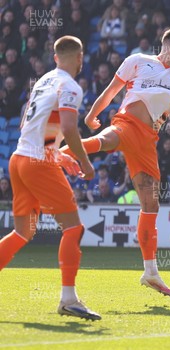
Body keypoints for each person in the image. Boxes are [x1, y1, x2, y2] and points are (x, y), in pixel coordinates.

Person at [60, 29, 170, 298]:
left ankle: (150, 272)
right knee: (107, 141)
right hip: (128, 124)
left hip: (148, 141)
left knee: (151, 204)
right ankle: (57, 155)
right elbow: (110, 91)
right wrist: (91, 116)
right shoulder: (137, 60)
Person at [0, 36, 101, 320]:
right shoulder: (70, 86)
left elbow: (28, 124)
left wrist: (58, 155)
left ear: (56, 57)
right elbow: (69, 128)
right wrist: (84, 161)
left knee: (22, 232)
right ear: (79, 58)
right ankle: (68, 299)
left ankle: (69, 299)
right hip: (37, 163)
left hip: (18, 159)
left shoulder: (44, 80)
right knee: (73, 228)